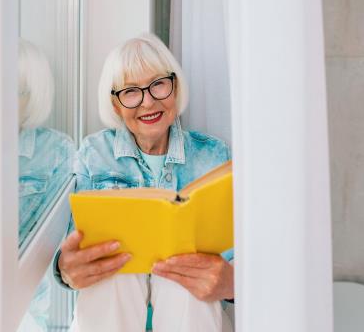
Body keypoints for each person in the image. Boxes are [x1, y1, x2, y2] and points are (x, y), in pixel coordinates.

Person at [53, 33, 234, 332]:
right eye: (131, 92)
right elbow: (76, 250)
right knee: (114, 269)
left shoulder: (212, 154)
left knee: (183, 274)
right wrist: (66, 270)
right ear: (115, 104)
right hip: (111, 309)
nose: (148, 101)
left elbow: (235, 257)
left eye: (158, 84)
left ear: (175, 87)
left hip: (194, 315)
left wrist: (230, 283)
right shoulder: (94, 154)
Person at [17, 38, 76, 332]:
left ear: (34, 96)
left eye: (15, 91)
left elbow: (59, 251)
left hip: (26, 309)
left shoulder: (56, 150)